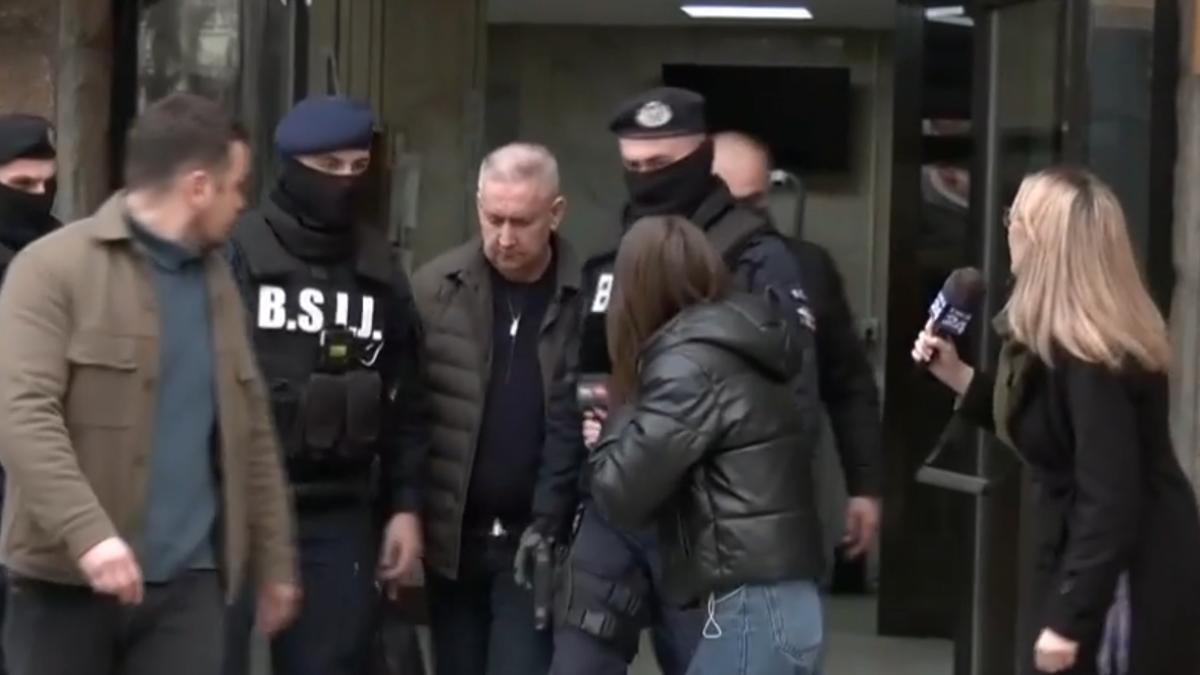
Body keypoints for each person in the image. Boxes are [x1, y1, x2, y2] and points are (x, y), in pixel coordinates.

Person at [546, 87, 880, 674]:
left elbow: (798, 399)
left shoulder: (757, 258)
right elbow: (578, 386)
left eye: (661, 164)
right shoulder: (613, 260)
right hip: (616, 507)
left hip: (708, 519)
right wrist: (552, 512)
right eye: (633, 167)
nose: (646, 179)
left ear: (700, 158)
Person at [0, 92, 298, 675]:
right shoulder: (52, 269)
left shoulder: (218, 283)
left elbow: (251, 429)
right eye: (236, 186)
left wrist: (276, 560)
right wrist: (89, 536)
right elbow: (22, 415)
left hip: (188, 588)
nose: (243, 203)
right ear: (198, 187)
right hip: (63, 585)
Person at [912, 167, 1200, 675]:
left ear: (1042, 243)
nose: (1008, 230)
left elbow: (1109, 497)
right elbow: (1050, 431)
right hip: (1092, 572)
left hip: (1123, 586)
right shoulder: (1064, 345)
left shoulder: (1094, 359)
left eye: (1015, 219)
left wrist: (1070, 618)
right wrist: (958, 377)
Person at [221, 95, 429, 675]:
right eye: (329, 167)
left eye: (357, 167)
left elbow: (407, 399)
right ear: (292, 166)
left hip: (338, 509)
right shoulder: (237, 253)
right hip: (235, 507)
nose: (344, 181)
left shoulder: (379, 268)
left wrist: (405, 507)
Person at [588, 215, 823, 674]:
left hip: (751, 606)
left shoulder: (689, 364)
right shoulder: (737, 340)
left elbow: (620, 492)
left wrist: (617, 416)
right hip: (790, 602)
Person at [413, 143, 582, 675]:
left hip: (537, 544)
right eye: (493, 218)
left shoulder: (587, 300)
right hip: (453, 544)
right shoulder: (435, 290)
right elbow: (408, 416)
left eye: (522, 222)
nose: (504, 238)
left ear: (556, 213)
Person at [712, 130, 884, 575]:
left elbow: (849, 383)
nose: (745, 219)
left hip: (784, 499)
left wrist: (865, 487)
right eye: (732, 204)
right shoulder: (670, 264)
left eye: (755, 202)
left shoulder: (806, 267)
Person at [0, 113, 60, 675]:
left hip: (36, 477)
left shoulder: (65, 257)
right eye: (22, 185)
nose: (39, 197)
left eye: (47, 183)